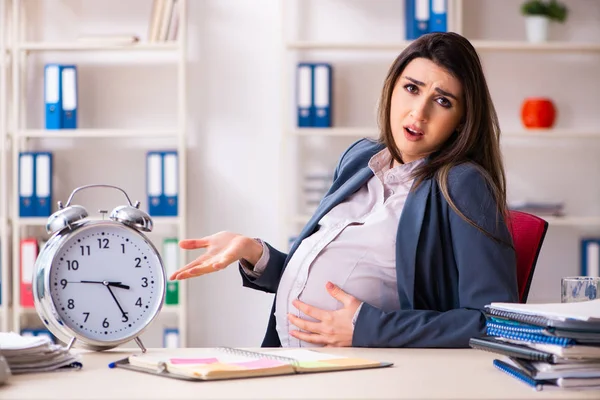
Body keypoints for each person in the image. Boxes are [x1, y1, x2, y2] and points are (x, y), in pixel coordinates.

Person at [170, 32, 519, 348]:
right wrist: (254, 252)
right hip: (289, 365)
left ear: (462, 121)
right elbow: (317, 278)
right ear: (392, 87)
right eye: (412, 88)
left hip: (373, 377)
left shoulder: (462, 184)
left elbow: (495, 322)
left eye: (442, 101)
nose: (419, 112)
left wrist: (370, 328)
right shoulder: (360, 159)